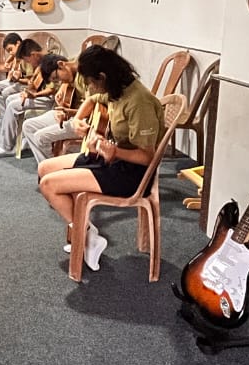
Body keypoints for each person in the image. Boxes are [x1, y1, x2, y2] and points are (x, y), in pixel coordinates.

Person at [36, 45, 165, 271]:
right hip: (110, 158)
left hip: (132, 174)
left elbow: (147, 157)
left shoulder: (139, 102)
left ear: (102, 76)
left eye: (91, 82)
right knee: (44, 169)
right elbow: (93, 100)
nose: (89, 88)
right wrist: (78, 120)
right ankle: (86, 234)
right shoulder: (118, 90)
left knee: (49, 185)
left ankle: (86, 234)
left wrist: (115, 152)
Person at [21, 54, 96, 164]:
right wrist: (62, 89)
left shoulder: (85, 77)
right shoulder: (70, 72)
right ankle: (47, 165)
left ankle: (52, 166)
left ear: (61, 65)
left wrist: (69, 112)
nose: (60, 81)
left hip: (83, 121)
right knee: (28, 126)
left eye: (56, 78)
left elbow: (93, 110)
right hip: (70, 113)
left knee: (40, 137)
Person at [0, 49, 58, 157]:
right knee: (10, 99)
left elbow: (51, 89)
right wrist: (27, 91)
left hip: (47, 99)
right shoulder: (39, 65)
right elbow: (33, 84)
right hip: (39, 95)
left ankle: (5, 146)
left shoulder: (49, 64)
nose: (28, 62)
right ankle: (12, 136)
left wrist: (34, 94)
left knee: (12, 105)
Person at [0, 38, 44, 116]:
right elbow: (31, 80)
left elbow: (31, 81)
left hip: (28, 86)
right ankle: (6, 115)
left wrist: (20, 81)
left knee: (7, 94)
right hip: (24, 84)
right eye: (8, 51)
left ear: (18, 43)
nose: (10, 53)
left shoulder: (29, 59)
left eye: (11, 49)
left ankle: (9, 115)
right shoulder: (18, 57)